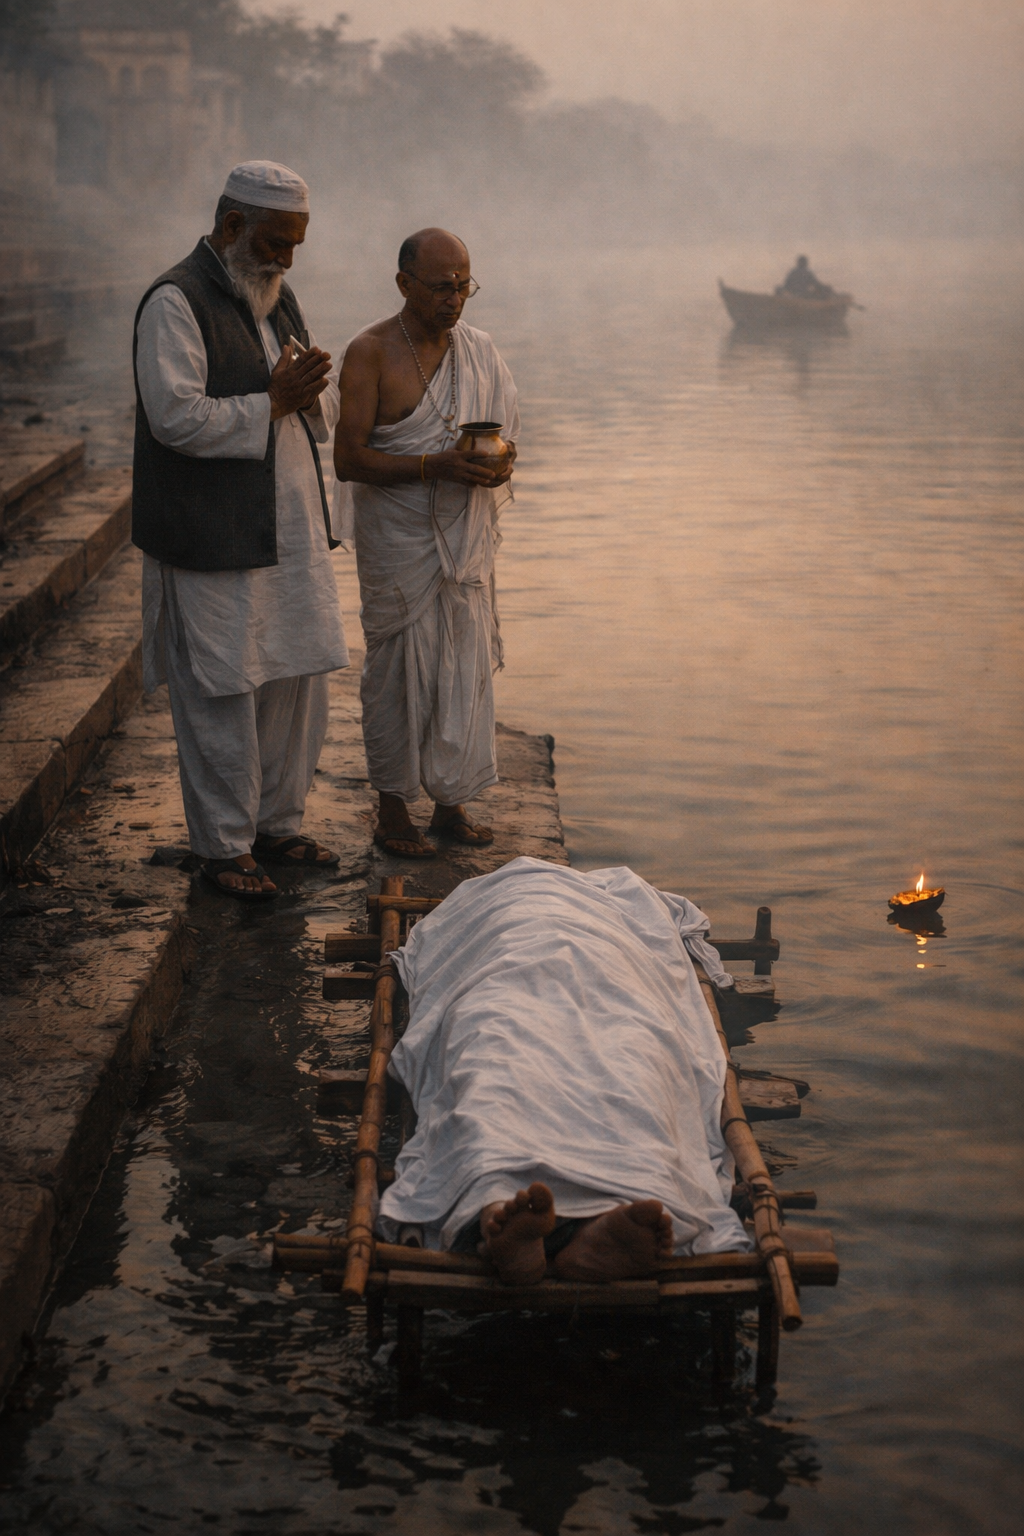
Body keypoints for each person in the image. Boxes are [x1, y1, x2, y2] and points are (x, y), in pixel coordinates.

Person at [132, 161, 349, 901]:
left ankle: (275, 826)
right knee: (220, 689)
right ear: (232, 228)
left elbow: (303, 406)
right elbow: (176, 418)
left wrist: (312, 389)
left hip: (286, 526)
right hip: (209, 535)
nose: (288, 260)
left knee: (293, 674)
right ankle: (225, 849)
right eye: (278, 243)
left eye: (297, 245)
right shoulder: (175, 301)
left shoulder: (277, 298)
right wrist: (274, 399)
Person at [377, 858, 751, 1284]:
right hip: (519, 964)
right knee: (616, 1065)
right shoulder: (619, 899)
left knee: (501, 1068)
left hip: (574, 967)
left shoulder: (476, 900)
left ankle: (498, 1208)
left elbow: (433, 954)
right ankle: (612, 1204)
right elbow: (673, 945)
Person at [334, 228, 519, 859]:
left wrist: (498, 466)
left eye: (464, 284)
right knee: (396, 673)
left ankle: (451, 802)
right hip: (398, 545)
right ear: (404, 284)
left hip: (463, 545)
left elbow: (509, 437)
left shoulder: (481, 351)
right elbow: (348, 460)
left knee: (461, 665)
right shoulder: (369, 352)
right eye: (441, 286)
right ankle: (391, 811)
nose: (455, 298)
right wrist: (431, 467)